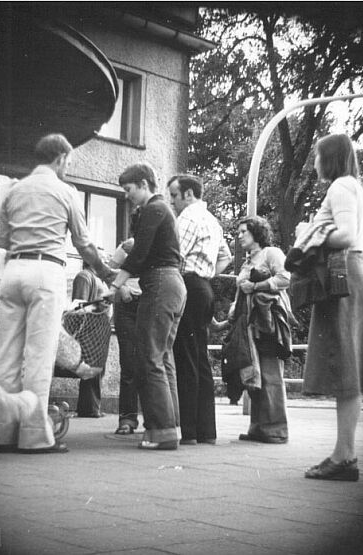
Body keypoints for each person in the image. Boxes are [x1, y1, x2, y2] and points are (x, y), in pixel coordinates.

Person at [0, 133, 113, 454]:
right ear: (59, 159)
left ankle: (0, 431)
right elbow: (83, 243)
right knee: (40, 356)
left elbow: (1, 240)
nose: (68, 167)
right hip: (46, 272)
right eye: (68, 161)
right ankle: (33, 436)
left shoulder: (13, 190)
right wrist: (107, 273)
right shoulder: (65, 191)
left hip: (13, 271)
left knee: (6, 356)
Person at [300, 133, 363, 481]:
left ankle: (344, 457)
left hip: (343, 281)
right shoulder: (358, 190)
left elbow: (349, 235)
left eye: (318, 156)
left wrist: (309, 233)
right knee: (349, 369)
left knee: (345, 369)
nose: (316, 163)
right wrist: (357, 266)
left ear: (330, 158)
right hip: (355, 277)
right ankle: (343, 454)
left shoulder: (339, 188)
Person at [104, 163, 186, 450]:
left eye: (128, 190)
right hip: (173, 284)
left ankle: (161, 432)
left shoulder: (154, 208)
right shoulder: (163, 210)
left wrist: (113, 286)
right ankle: (170, 429)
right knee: (162, 359)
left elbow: (139, 255)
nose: (127, 196)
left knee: (149, 358)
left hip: (160, 283)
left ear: (142, 183)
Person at [167, 174, 232, 445]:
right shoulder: (212, 221)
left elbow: (174, 254)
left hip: (187, 286)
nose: (171, 201)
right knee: (201, 359)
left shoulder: (187, 219)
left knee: (186, 358)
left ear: (189, 194)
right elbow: (226, 257)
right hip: (204, 289)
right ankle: (207, 431)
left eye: (174, 195)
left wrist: (191, 275)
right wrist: (206, 275)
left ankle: (190, 432)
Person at [225, 216, 294, 444]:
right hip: (248, 322)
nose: (240, 235)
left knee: (271, 373)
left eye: (244, 231)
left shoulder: (271, 253)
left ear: (257, 232)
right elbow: (241, 291)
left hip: (268, 320)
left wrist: (256, 286)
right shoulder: (247, 261)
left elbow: (285, 278)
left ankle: (276, 429)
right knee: (255, 372)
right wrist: (234, 307)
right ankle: (258, 426)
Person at [110, 211, 143, 435]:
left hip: (149, 303)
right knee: (129, 362)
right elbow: (110, 271)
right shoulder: (127, 246)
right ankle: (128, 418)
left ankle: (153, 417)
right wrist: (121, 287)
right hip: (127, 304)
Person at [71, 267, 109, 418]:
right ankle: (89, 409)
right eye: (100, 251)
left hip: (98, 329)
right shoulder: (84, 276)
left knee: (97, 369)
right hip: (89, 330)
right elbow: (79, 306)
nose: (105, 256)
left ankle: (92, 407)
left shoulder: (98, 278)